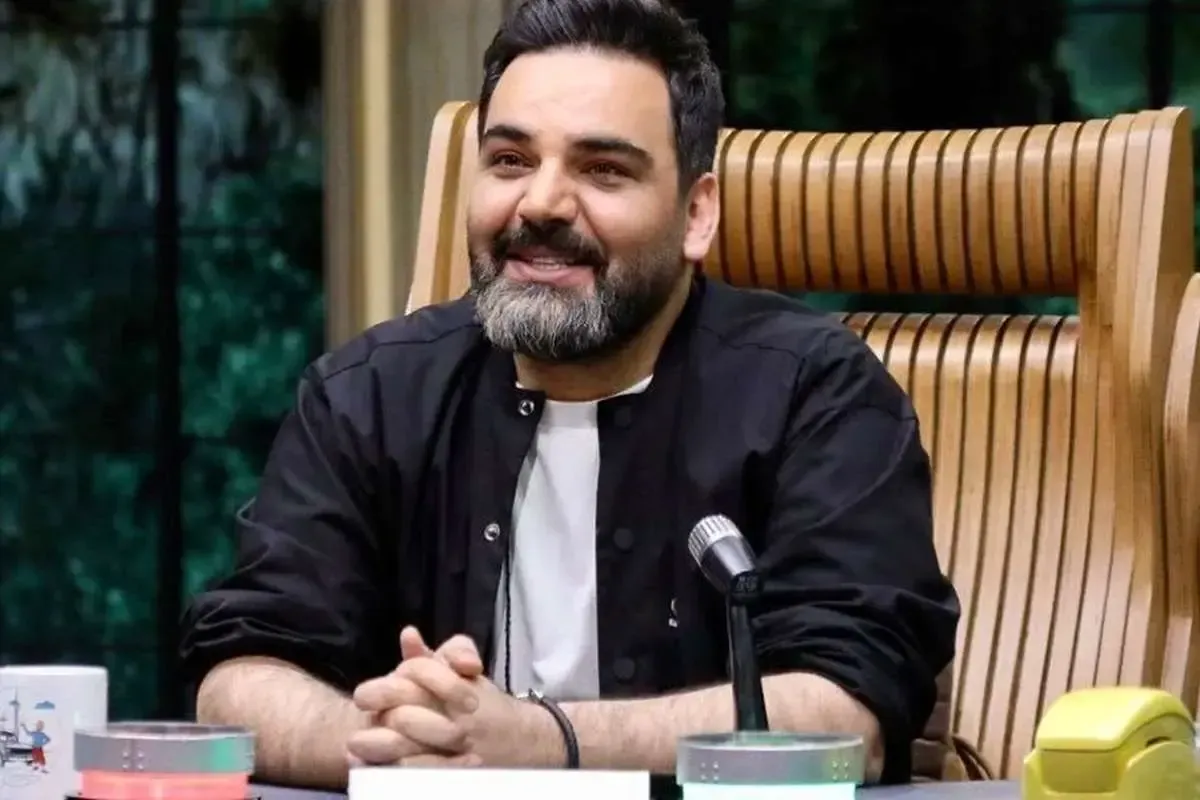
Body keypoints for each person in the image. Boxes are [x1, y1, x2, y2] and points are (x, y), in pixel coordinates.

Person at [179, 0, 959, 790]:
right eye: (510, 161)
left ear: (696, 214)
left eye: (602, 169)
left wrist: (539, 742)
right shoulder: (370, 396)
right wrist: (407, 746)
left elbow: (844, 715)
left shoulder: (816, 393)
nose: (541, 204)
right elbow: (239, 677)